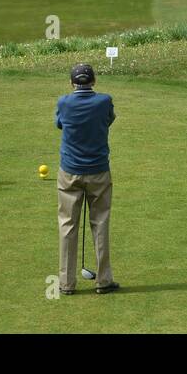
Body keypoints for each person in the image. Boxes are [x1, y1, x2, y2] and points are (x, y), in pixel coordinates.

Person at [55, 62, 118, 294]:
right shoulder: (104, 101)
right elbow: (109, 119)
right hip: (99, 171)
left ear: (72, 83)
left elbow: (59, 124)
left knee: (67, 224)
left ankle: (66, 283)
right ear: (94, 81)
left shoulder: (63, 102)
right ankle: (103, 281)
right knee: (100, 222)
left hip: (69, 171)